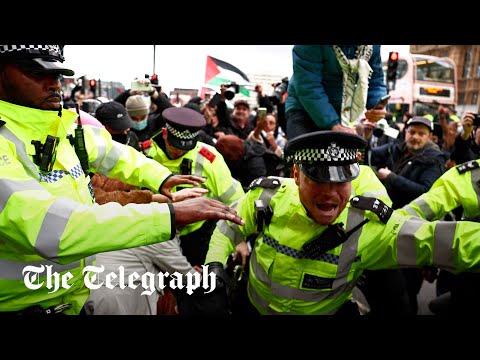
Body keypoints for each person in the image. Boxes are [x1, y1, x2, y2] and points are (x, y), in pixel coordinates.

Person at [0, 44, 244, 315]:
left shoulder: (60, 126)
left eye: (56, 74)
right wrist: (167, 214)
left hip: (69, 298)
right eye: (36, 72)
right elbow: (53, 228)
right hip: (20, 304)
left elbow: (115, 154)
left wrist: (162, 177)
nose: (54, 84)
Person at [200, 130, 480, 315]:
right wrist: (214, 269)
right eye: (319, 179)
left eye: (342, 181)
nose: (331, 193)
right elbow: (228, 227)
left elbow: (444, 241)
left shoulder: (366, 227)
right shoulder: (267, 197)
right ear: (296, 175)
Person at [145, 107, 245, 268]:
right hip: (157, 234)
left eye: (186, 148)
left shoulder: (208, 158)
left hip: (197, 236)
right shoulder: (145, 154)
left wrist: (240, 239)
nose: (180, 152)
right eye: (175, 146)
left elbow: (235, 198)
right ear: (164, 133)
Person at [285, 45, 388, 139]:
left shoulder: (372, 47)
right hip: (304, 107)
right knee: (303, 154)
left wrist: (378, 106)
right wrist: (333, 124)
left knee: (346, 155)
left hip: (342, 109)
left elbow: (375, 80)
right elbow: (308, 86)